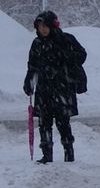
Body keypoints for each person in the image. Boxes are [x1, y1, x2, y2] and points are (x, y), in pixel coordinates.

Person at [24, 10, 87, 164]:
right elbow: (32, 66)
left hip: (62, 88)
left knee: (63, 123)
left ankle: (69, 153)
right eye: (40, 26)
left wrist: (66, 56)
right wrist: (28, 81)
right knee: (44, 123)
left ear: (53, 25)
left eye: (46, 25)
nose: (43, 29)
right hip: (44, 89)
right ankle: (47, 155)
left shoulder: (65, 40)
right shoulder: (37, 44)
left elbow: (82, 55)